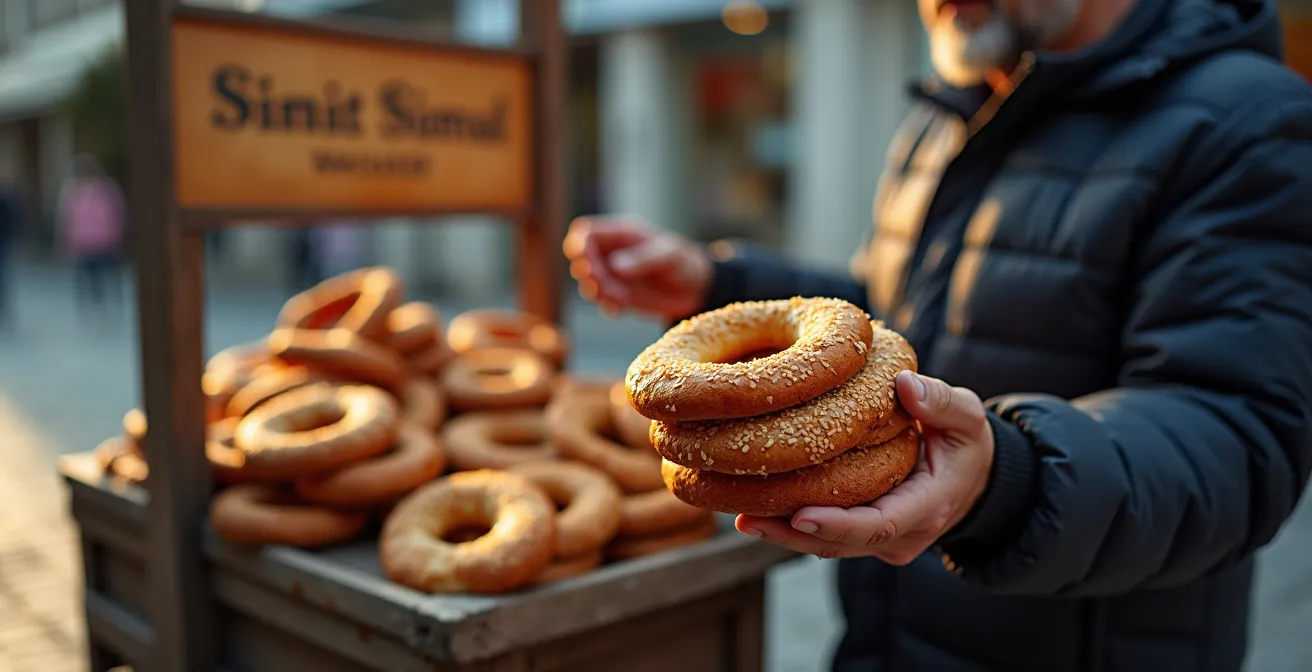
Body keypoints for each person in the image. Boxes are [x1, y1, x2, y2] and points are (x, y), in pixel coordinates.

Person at [563, 0, 1312, 669]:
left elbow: (1237, 430)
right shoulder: (950, 113)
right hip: (894, 634)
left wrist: (1008, 479)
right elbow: (891, 327)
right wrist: (720, 286)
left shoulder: (1246, 118)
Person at [58, 154, 125, 319]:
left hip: (103, 238)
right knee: (85, 273)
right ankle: (90, 305)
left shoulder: (106, 189)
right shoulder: (73, 190)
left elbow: (117, 212)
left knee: (103, 272)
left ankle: (102, 303)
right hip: (82, 240)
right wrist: (65, 238)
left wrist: (116, 233)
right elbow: (65, 216)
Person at [0, 166, 20, 327]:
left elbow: (12, 220)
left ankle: (4, 310)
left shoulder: (6, 197)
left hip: (3, 244)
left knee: (3, 279)